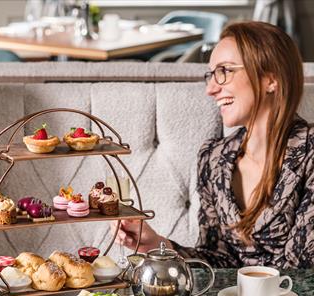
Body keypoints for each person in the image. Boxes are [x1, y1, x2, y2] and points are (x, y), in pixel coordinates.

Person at [115, 21, 314, 269]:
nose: (211, 89)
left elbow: (304, 270)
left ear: (270, 79)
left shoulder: (309, 153)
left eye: (224, 71)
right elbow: (218, 263)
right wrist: (157, 244)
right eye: (211, 75)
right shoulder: (214, 159)